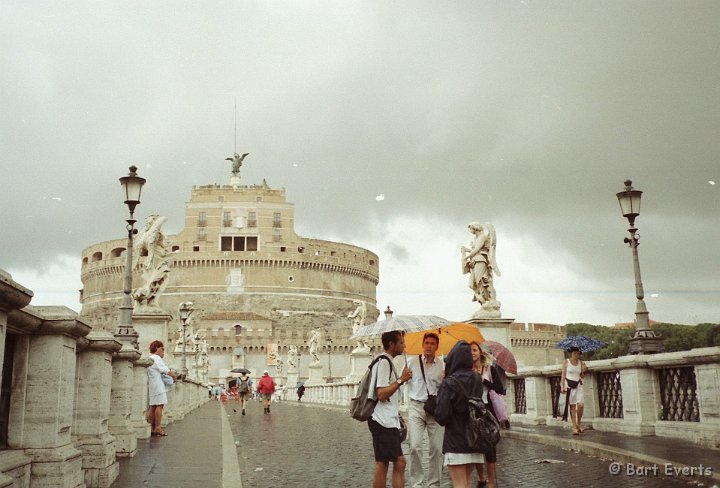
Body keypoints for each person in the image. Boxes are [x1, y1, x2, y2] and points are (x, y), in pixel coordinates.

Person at [435, 341, 487, 488]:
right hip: (474, 438)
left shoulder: (449, 383)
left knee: (460, 485)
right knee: (466, 482)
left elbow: (442, 416)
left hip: (455, 440)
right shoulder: (477, 378)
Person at [368, 330, 412, 488]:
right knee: (394, 462)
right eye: (401, 342)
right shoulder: (385, 362)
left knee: (389, 462)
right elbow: (381, 393)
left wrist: (400, 378)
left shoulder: (386, 362)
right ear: (391, 344)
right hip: (382, 420)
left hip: (385, 419)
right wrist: (401, 380)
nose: (404, 345)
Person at [406, 332, 444, 488]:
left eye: (432, 343)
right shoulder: (411, 362)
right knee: (414, 446)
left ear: (436, 346)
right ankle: (417, 483)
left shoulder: (442, 365)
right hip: (416, 407)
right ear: (423, 344)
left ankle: (434, 484)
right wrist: (403, 377)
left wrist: (446, 379)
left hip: (435, 409)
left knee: (436, 448)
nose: (429, 346)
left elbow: (446, 389)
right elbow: (400, 382)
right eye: (426, 343)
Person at [470, 341, 503, 487]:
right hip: (473, 410)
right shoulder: (466, 371)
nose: (472, 353)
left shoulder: (489, 369)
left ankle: (491, 481)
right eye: (470, 350)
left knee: (490, 446)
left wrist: (483, 380)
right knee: (476, 445)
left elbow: (500, 388)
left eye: (475, 350)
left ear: (480, 352)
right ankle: (481, 478)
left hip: (488, 410)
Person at [460, 222, 500, 306]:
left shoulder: (483, 237)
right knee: (471, 285)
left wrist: (466, 257)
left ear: (475, 228)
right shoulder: (476, 238)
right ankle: (480, 298)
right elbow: (475, 251)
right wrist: (467, 250)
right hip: (474, 262)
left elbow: (477, 249)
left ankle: (485, 303)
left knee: (480, 283)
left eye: (470, 229)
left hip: (480, 262)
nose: (470, 231)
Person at [147, 340, 175, 437]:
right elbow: (165, 370)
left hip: (152, 385)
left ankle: (149, 427)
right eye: (162, 349)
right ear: (156, 348)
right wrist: (174, 376)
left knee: (153, 406)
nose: (163, 351)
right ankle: (158, 428)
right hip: (158, 386)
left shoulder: (150, 358)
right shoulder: (156, 358)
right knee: (159, 406)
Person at [561, 346, 588, 435]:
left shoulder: (581, 363)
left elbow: (582, 376)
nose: (576, 355)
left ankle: (579, 423)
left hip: (578, 385)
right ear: (571, 353)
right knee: (572, 406)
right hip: (569, 385)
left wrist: (584, 370)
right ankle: (574, 427)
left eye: (578, 353)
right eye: (575, 353)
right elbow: (563, 375)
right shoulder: (566, 362)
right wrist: (562, 386)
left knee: (581, 405)